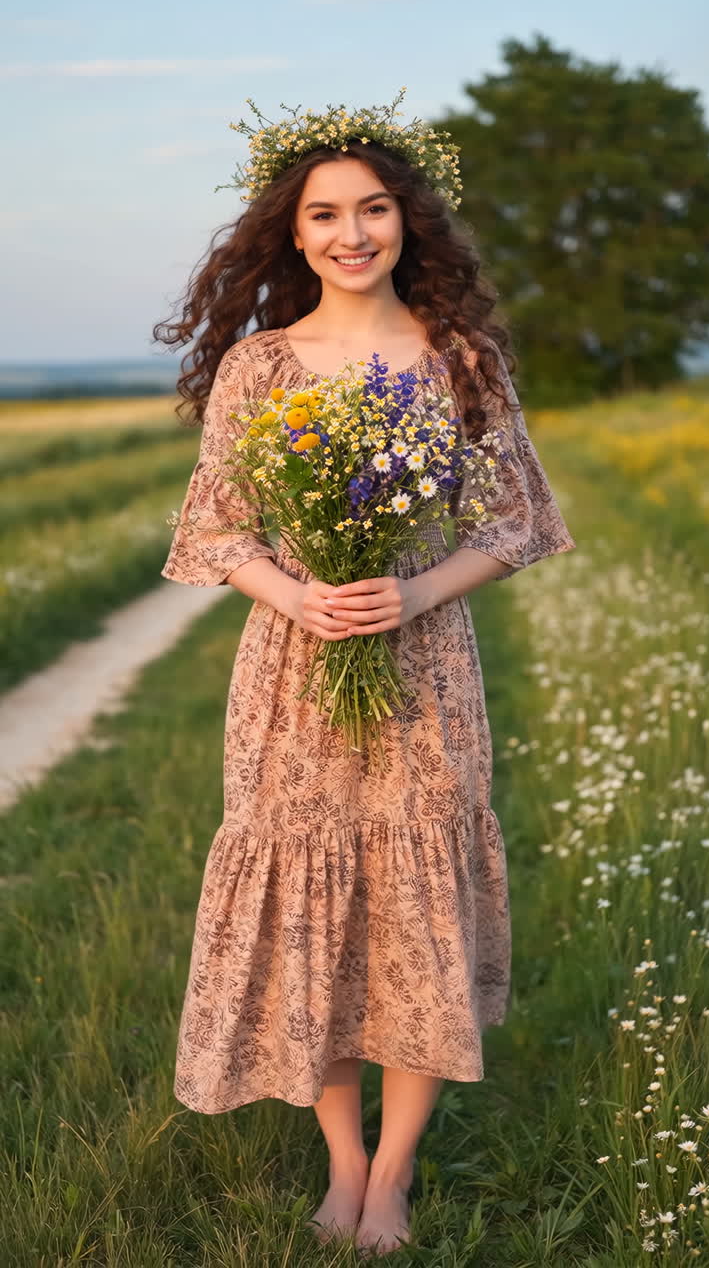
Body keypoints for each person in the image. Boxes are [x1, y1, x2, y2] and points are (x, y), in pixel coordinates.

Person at [153, 89, 576, 1256]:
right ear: (293, 233)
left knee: (412, 905)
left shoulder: (460, 357)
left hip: (424, 663)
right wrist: (297, 592)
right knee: (316, 912)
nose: (352, 233)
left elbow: (516, 521)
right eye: (327, 214)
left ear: (408, 220)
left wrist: (413, 591)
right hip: (293, 668)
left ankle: (392, 1174)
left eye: (374, 208)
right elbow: (218, 527)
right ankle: (342, 1157)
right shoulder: (259, 366)